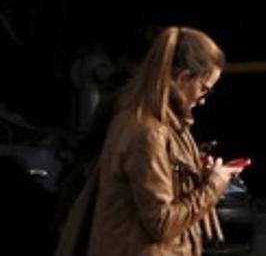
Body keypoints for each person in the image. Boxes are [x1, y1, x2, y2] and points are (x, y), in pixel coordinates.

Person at [86, 26, 240, 256]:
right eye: (204, 89)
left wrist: (195, 170)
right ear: (184, 78)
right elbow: (162, 223)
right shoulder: (149, 133)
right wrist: (213, 186)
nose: (203, 100)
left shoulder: (142, 119)